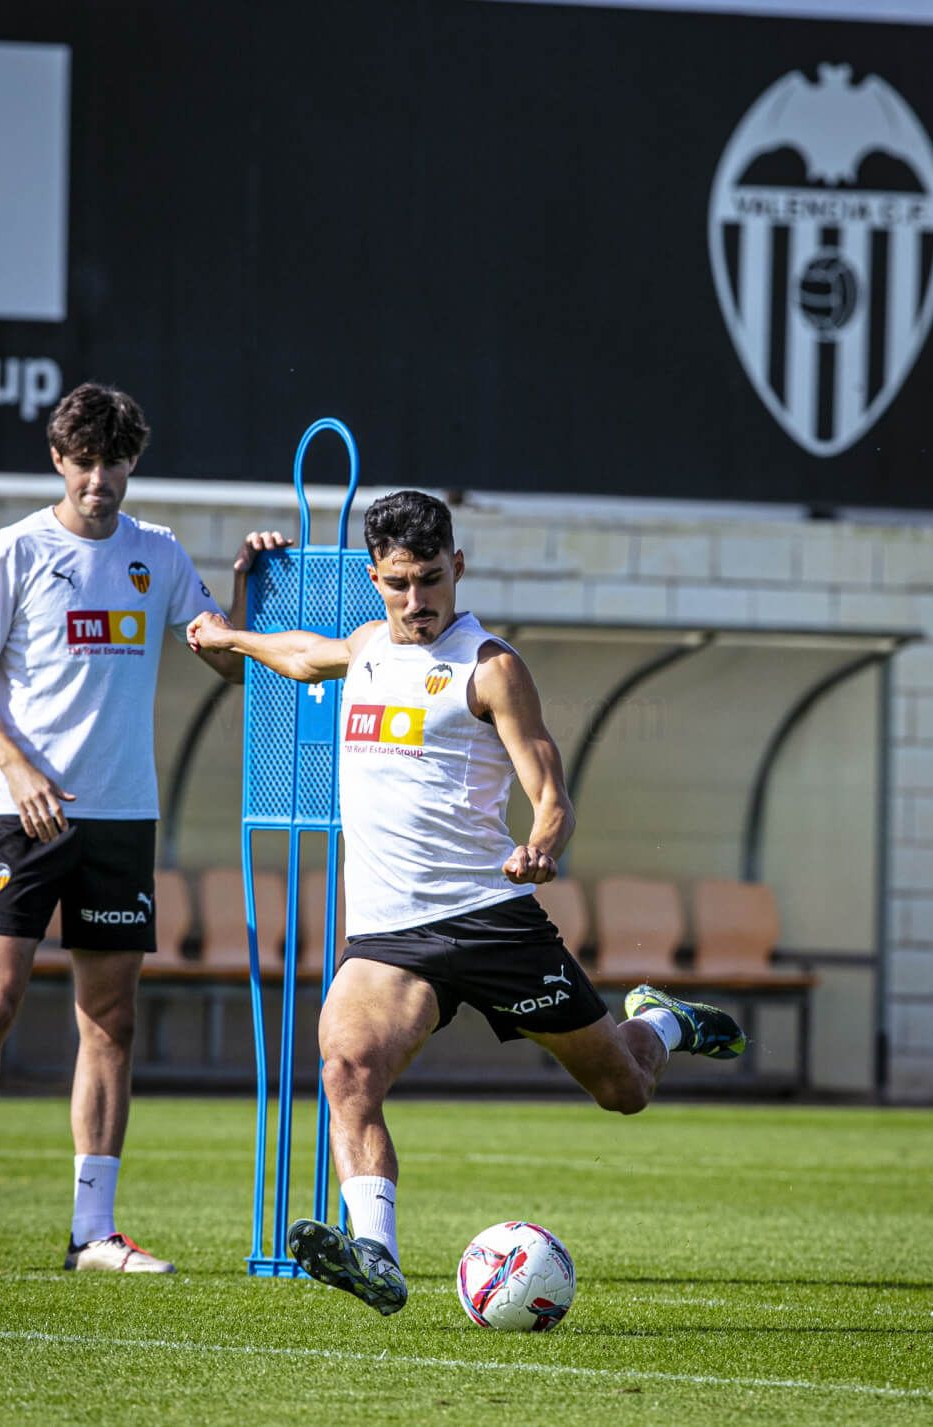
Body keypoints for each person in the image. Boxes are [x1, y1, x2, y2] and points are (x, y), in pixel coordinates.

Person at [187, 490, 746, 1315]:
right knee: (346, 1069)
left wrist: (543, 844)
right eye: (401, 583)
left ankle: (661, 1021)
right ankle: (375, 1253)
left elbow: (550, 788)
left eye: (433, 580)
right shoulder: (369, 645)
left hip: (492, 919)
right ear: (375, 576)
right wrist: (230, 633)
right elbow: (304, 655)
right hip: (388, 934)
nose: (419, 602)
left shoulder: (491, 667)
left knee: (622, 1088)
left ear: (460, 566)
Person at [0, 382, 243, 1273]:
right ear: (59, 460)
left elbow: (225, 659)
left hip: (123, 818)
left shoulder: (158, 555)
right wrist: (18, 771)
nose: (100, 478)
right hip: (23, 819)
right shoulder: (13, 550)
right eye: (83, 461)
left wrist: (247, 587)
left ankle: (93, 1230)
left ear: (134, 461)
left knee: (111, 1021)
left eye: (115, 461)